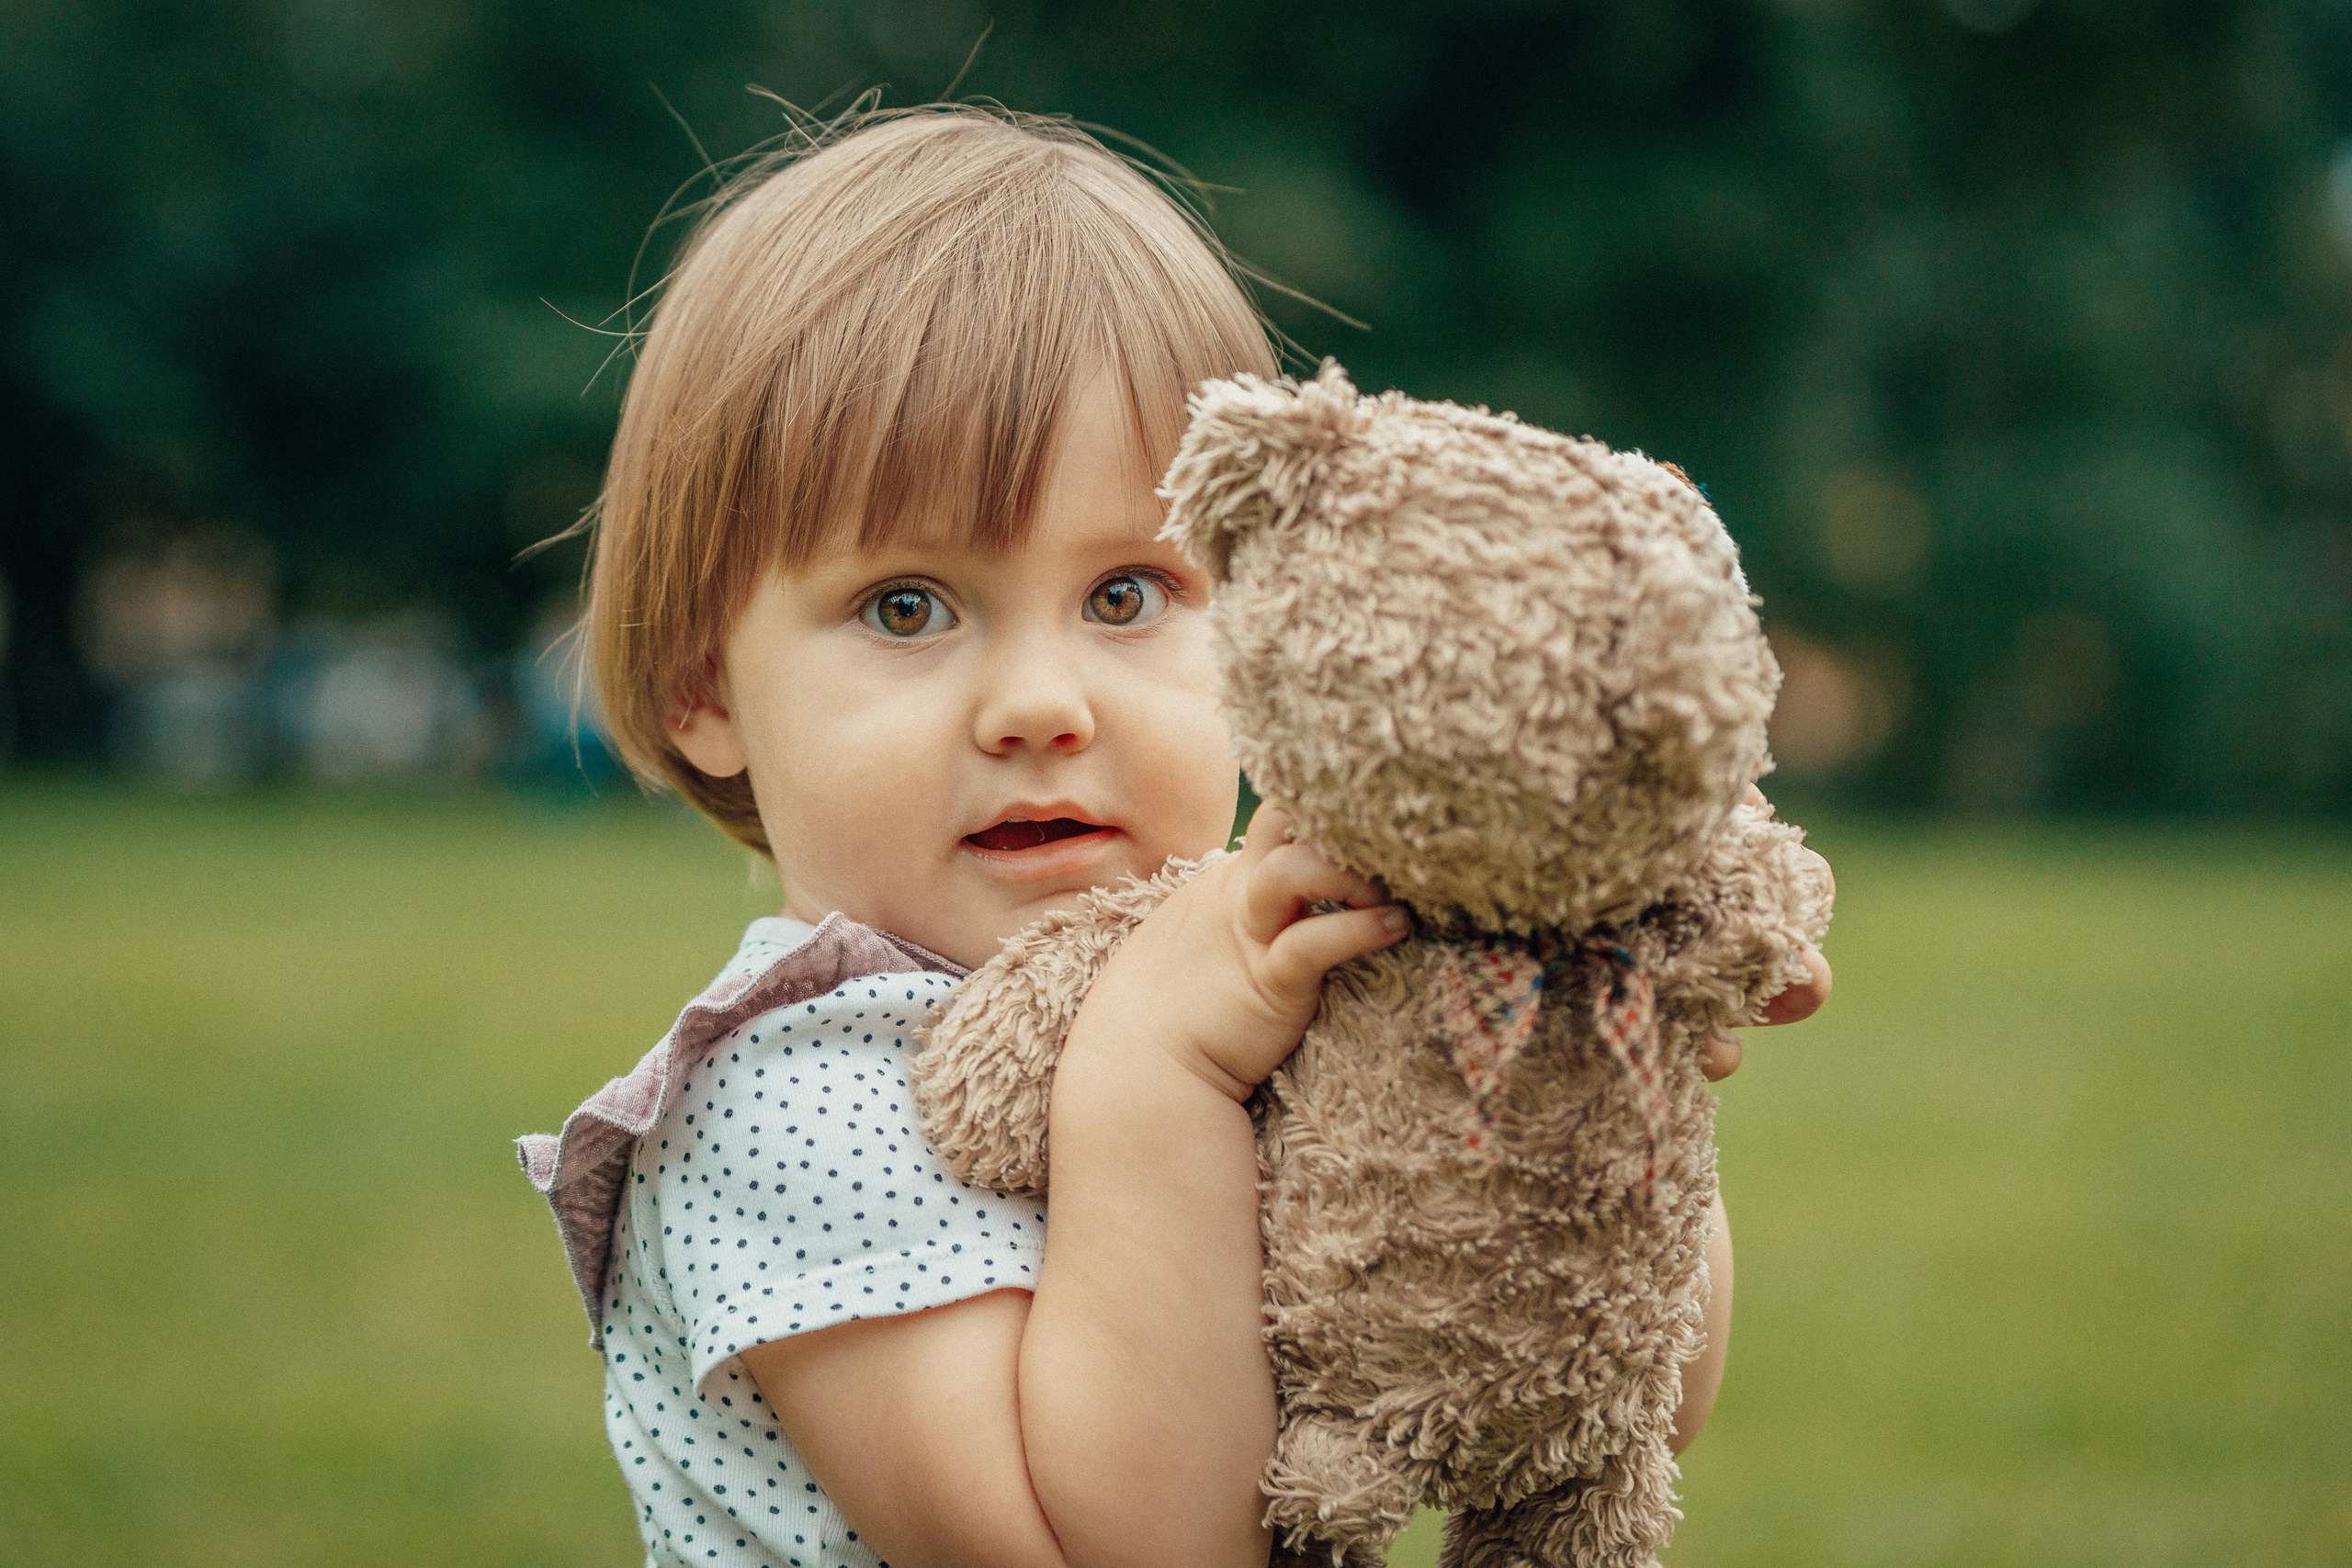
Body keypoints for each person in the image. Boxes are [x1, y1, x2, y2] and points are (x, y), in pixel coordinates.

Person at [530, 103, 1833, 1568]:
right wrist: (1156, 1069)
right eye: (906, 606)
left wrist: (1606, 1079)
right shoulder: (789, 1109)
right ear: (704, 687)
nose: (1041, 704)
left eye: (1127, 595)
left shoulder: (1258, 962)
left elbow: (1620, 1406)